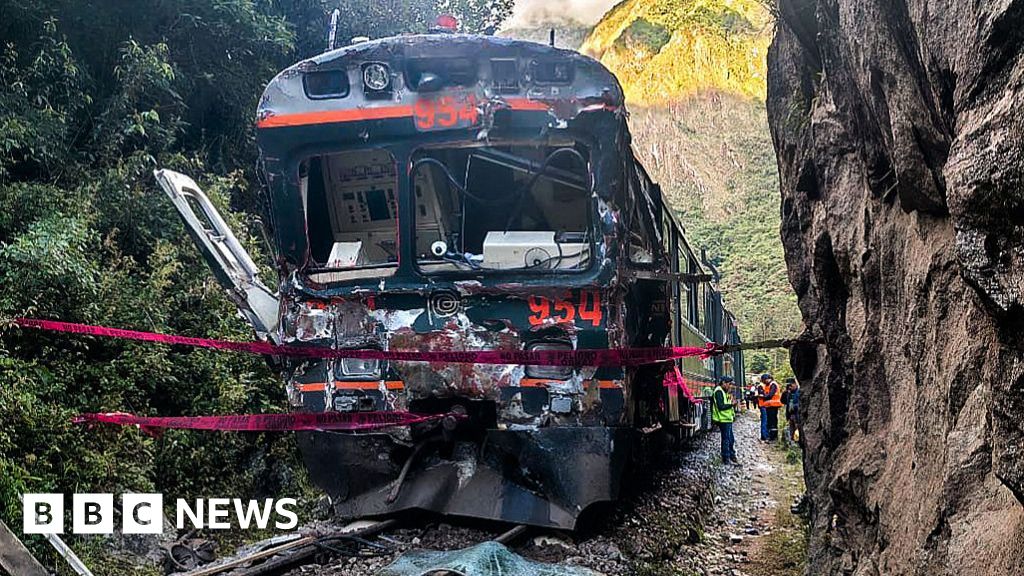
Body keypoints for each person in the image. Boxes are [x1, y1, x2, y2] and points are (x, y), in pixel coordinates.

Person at [712, 376, 738, 465]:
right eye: (729, 384)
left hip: (727, 419)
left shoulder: (724, 391)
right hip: (722, 419)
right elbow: (721, 406)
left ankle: (731, 456)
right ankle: (726, 458)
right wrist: (731, 404)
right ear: (723, 383)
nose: (730, 386)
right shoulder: (719, 391)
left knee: (730, 439)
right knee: (726, 439)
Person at [760, 373, 783, 441]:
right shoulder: (768, 385)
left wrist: (763, 397)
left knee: (773, 421)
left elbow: (770, 395)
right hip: (769, 405)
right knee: (770, 421)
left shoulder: (773, 384)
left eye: (764, 380)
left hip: (773, 405)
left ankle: (773, 437)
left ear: (767, 379)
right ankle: (771, 436)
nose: (763, 382)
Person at [756, 377, 768, 441]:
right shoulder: (761, 386)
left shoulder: (764, 386)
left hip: (764, 405)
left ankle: (764, 435)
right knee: (764, 420)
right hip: (763, 405)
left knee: (765, 420)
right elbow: (762, 395)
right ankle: (764, 436)